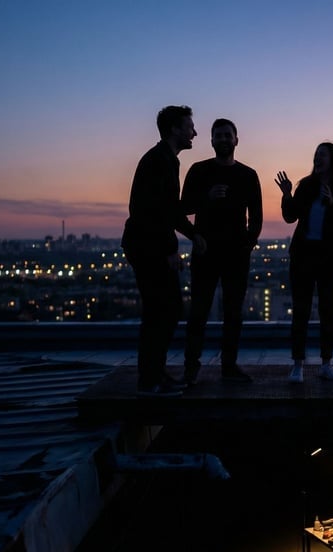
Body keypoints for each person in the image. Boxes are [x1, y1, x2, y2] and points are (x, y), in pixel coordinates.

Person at [121, 105, 206, 397]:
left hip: (145, 244)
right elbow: (155, 211)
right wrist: (172, 247)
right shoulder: (160, 160)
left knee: (163, 310)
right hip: (148, 246)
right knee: (165, 310)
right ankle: (151, 379)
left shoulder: (165, 159)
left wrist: (193, 234)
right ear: (174, 129)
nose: (194, 132)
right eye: (189, 126)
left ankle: (154, 375)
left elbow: (168, 210)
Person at [181, 118, 263, 385]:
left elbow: (257, 218)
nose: (224, 139)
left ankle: (229, 366)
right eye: (219, 135)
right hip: (205, 252)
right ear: (212, 140)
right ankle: (191, 367)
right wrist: (207, 198)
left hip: (236, 255)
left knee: (233, 313)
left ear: (236, 140)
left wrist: (246, 246)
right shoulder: (198, 171)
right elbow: (182, 208)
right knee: (199, 312)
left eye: (228, 135)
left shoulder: (249, 175)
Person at [275, 142, 333, 383]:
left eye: (322, 155)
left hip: (331, 259)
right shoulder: (307, 185)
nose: (317, 158)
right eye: (316, 155)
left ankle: (326, 363)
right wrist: (287, 194)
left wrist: (332, 203)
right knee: (300, 311)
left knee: (327, 311)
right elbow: (290, 217)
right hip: (303, 257)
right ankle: (298, 365)